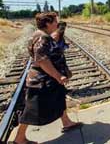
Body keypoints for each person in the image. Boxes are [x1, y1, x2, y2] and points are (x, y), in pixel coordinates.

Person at [13, 13, 81, 144]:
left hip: (48, 79)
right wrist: (58, 75)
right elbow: (42, 60)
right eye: (55, 21)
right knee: (32, 110)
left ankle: (66, 122)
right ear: (48, 23)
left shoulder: (40, 35)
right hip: (42, 81)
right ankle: (19, 138)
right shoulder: (42, 37)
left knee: (59, 98)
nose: (57, 23)